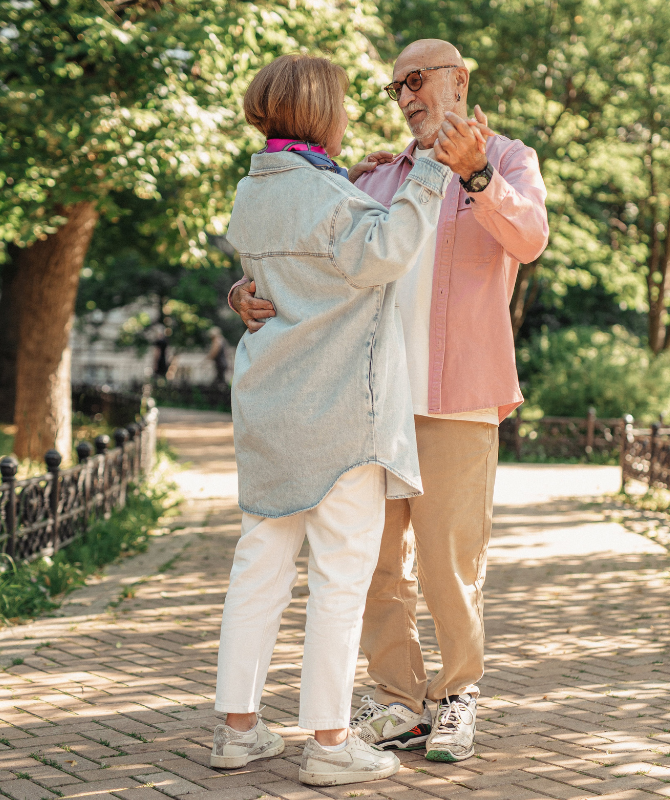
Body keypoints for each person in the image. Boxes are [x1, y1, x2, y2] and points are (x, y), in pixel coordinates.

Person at [230, 39, 549, 763]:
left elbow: (529, 239)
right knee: (375, 561)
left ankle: (457, 695)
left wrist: (475, 178)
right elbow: (313, 255)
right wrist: (246, 291)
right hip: (370, 397)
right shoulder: (372, 176)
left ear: (459, 82)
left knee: (449, 562)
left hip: (461, 394)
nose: (406, 96)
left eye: (418, 80)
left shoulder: (509, 160)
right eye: (395, 87)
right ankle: (397, 701)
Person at [211, 53, 455, 787]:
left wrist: (347, 185)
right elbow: (384, 254)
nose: (350, 114)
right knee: (340, 580)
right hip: (339, 416)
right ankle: (328, 744)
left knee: (258, 570)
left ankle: (237, 731)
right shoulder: (330, 199)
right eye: (343, 104)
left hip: (268, 412)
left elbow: (292, 265)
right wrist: (429, 174)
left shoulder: (254, 194)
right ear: (322, 112)